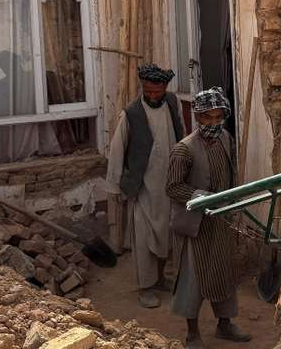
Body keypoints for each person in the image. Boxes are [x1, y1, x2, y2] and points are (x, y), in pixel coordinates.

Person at [166, 88, 250, 348]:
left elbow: (230, 174)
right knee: (194, 277)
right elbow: (172, 187)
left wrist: (233, 202)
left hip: (221, 221)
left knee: (224, 273)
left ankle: (224, 325)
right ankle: (192, 333)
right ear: (198, 118)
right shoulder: (184, 150)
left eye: (218, 118)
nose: (213, 124)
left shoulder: (225, 138)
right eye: (207, 118)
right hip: (196, 225)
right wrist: (202, 196)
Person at [105, 63, 184, 308]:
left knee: (166, 235)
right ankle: (145, 287)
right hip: (143, 186)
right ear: (142, 88)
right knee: (143, 238)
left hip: (169, 183)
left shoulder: (173, 103)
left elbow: (182, 135)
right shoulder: (131, 113)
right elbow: (117, 151)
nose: (153, 96)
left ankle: (160, 279)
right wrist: (115, 187)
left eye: (157, 91)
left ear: (164, 88)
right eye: (148, 91)